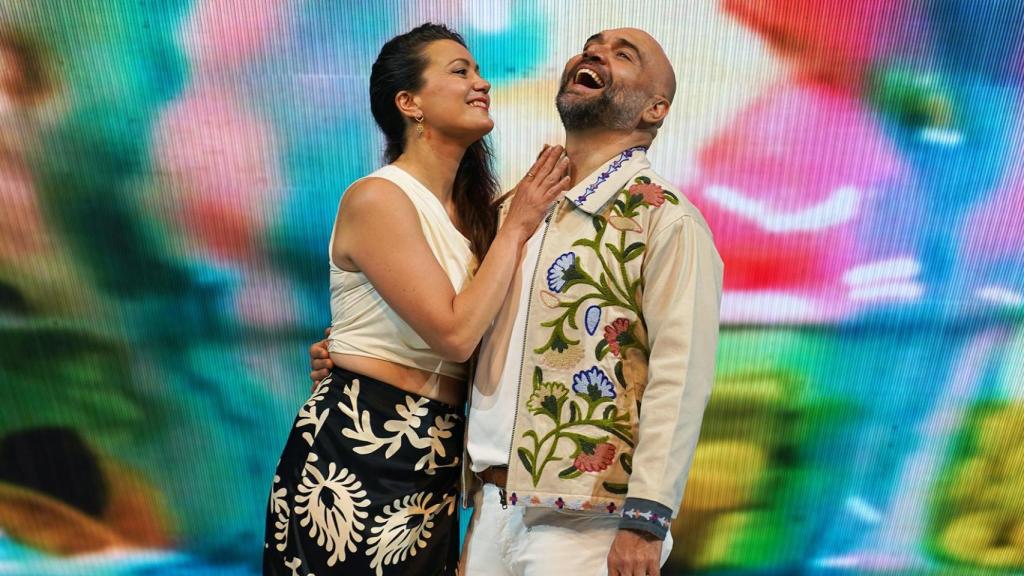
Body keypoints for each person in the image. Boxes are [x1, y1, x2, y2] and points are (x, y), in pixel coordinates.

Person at [311, 27, 724, 576]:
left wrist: (646, 520)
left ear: (655, 109)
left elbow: (682, 372)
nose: (595, 53)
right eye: (591, 46)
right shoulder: (514, 213)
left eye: (623, 55)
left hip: (590, 523)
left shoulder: (663, 219)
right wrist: (352, 353)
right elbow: (459, 328)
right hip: (489, 510)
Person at [265, 23, 570, 576]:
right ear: (409, 103)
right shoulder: (379, 197)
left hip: (436, 463)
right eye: (460, 71)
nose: (480, 83)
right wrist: (519, 224)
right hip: (358, 455)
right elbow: (453, 335)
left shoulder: (478, 216)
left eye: (478, 71)